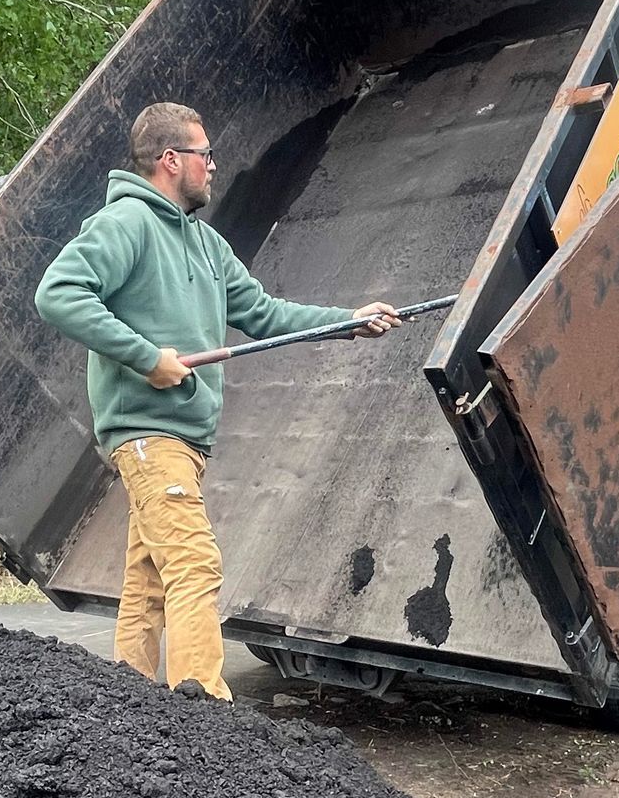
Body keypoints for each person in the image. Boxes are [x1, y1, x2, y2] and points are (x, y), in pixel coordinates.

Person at [35, 100, 397, 700]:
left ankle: (124, 707)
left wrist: (345, 322)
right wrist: (148, 357)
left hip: (185, 440)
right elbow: (59, 294)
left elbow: (264, 313)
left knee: (150, 582)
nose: (213, 166)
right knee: (195, 564)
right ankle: (203, 710)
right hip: (148, 435)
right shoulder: (125, 224)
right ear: (171, 160)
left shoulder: (206, 244)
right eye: (205, 155)